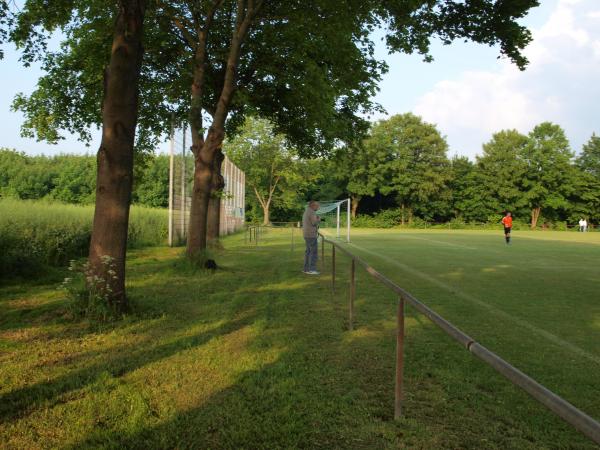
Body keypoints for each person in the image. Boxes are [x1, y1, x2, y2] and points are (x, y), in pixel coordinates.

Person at [302, 201, 321, 274]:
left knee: (308, 252)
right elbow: (314, 222)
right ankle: (312, 269)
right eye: (317, 206)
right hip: (311, 234)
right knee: (313, 252)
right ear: (313, 206)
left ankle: (306, 269)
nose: (318, 208)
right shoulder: (312, 212)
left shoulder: (307, 211)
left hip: (306, 234)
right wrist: (318, 219)